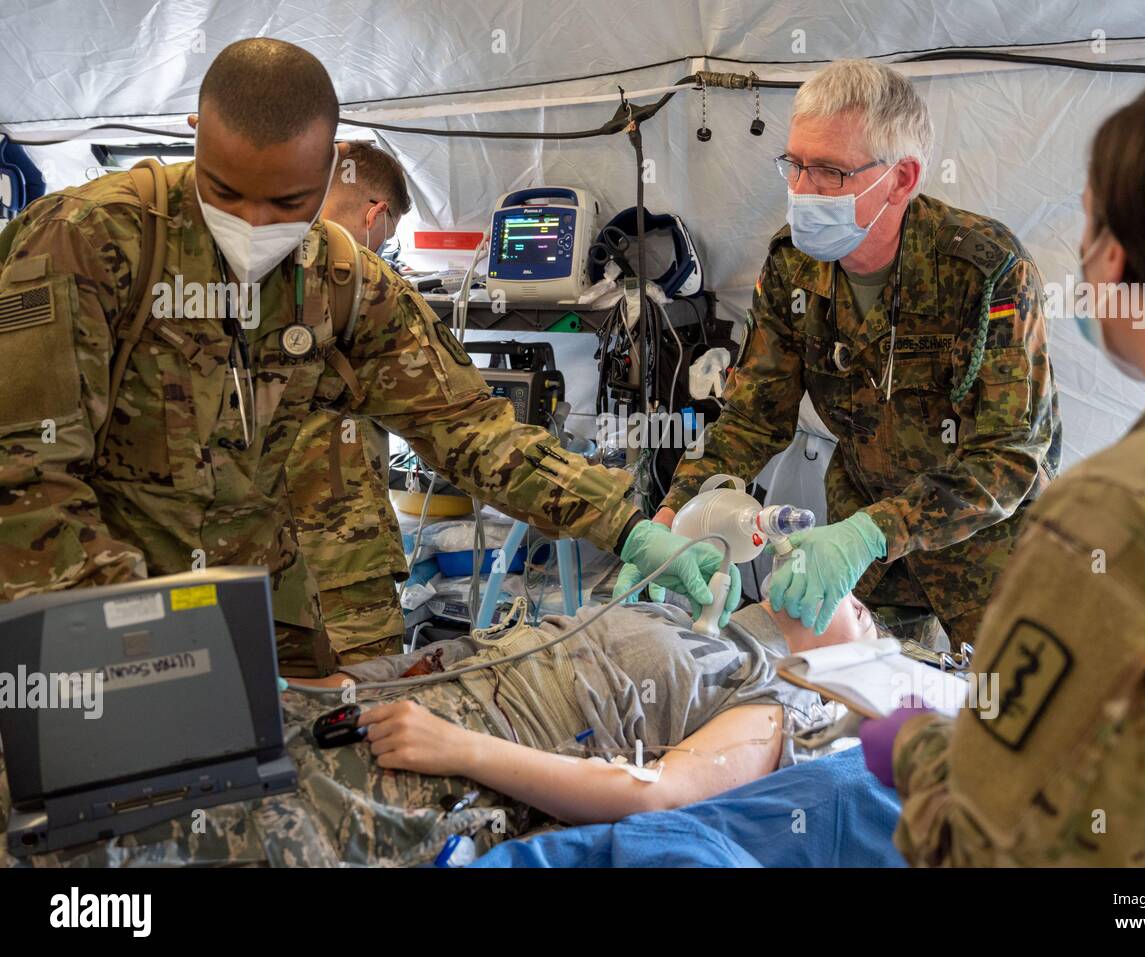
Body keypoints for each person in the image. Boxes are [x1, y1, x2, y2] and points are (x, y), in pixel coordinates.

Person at [0, 38, 733, 678]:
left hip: (266, 605)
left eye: (287, 201)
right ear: (194, 138)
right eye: (225, 192)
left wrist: (624, 522)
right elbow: (26, 475)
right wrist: (138, 642)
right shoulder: (90, 244)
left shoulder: (344, 286)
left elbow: (473, 430)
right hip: (91, 605)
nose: (253, 225)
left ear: (331, 169)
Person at [874, 63, 1145, 866]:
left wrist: (914, 748)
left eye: (1086, 219)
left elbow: (1000, 851)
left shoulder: (1122, 513)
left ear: (1112, 258)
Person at [619, 59, 1060, 647]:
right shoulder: (791, 265)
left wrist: (872, 533)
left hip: (989, 555)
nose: (802, 190)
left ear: (901, 179)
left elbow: (1009, 456)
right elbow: (753, 416)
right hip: (865, 553)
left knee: (1010, 717)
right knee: (864, 708)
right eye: (795, 165)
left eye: (828, 171)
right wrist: (672, 518)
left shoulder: (986, 270)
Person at [0, 593, 867, 867]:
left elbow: (661, 795)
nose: (849, 595)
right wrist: (313, 688)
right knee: (84, 751)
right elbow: (466, 649)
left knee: (189, 836)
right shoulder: (670, 600)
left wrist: (460, 750)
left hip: (456, 764)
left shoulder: (766, 696)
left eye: (865, 607)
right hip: (393, 703)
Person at [285, 142, 414, 663]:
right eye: (388, 236)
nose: (383, 250)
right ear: (376, 213)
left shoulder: (231, 260)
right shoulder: (367, 286)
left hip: (236, 567)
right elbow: (458, 423)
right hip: (342, 559)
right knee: (366, 715)